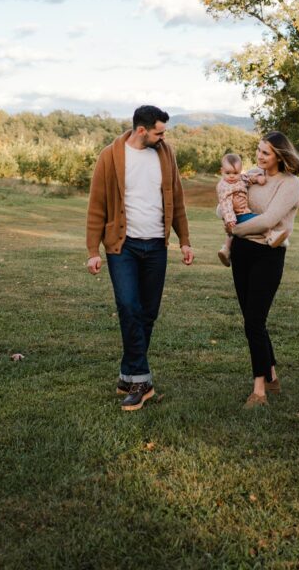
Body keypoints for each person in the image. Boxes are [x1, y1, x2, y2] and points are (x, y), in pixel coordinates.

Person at [86, 105, 194, 411]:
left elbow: (177, 199)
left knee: (147, 313)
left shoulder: (166, 154)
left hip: (157, 246)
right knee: (129, 306)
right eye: (159, 132)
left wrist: (184, 241)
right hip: (124, 247)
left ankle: (128, 373)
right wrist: (93, 251)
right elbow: (97, 205)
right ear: (142, 130)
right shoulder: (111, 155)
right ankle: (141, 382)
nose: (163, 137)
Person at [223, 131, 299, 408]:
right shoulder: (251, 175)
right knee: (251, 319)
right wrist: (228, 219)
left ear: (280, 156)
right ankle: (271, 375)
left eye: (266, 153)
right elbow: (225, 204)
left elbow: (269, 219)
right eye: (258, 150)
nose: (259, 156)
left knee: (254, 322)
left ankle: (259, 391)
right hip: (242, 253)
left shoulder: (290, 184)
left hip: (268, 255)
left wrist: (235, 229)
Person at [216, 152, 266, 267]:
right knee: (260, 221)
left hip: (240, 214)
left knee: (231, 235)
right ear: (221, 171)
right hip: (235, 216)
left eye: (235, 173)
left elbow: (248, 178)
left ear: (240, 171)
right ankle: (271, 236)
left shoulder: (241, 179)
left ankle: (226, 249)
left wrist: (258, 179)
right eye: (228, 173)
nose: (232, 176)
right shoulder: (224, 186)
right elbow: (225, 204)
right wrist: (230, 220)